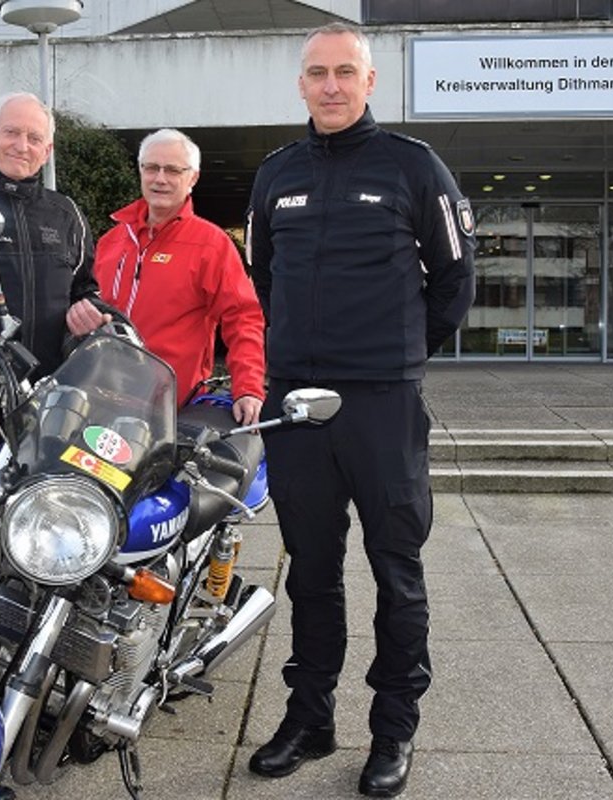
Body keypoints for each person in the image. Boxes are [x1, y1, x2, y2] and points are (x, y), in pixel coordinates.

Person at [245, 23, 475, 798]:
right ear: (301, 84)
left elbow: (453, 281)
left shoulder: (414, 167)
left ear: (370, 81)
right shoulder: (276, 174)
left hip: (382, 404)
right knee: (311, 570)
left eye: (347, 72)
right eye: (318, 73)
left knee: (395, 570)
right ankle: (310, 719)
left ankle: (393, 730)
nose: (332, 85)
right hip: (298, 408)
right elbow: (264, 277)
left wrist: (396, 355)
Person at [94, 128, 266, 423]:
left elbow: (243, 318)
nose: (160, 179)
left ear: (193, 179)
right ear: (141, 171)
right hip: (103, 402)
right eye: (152, 168)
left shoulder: (210, 244)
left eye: (173, 170)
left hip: (172, 410)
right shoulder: (111, 242)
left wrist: (248, 388)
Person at [0, 91, 105, 378]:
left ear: (47, 151)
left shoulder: (66, 214)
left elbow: (85, 290)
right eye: (11, 132)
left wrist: (88, 313)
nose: (22, 146)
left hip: (50, 393)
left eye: (34, 138)